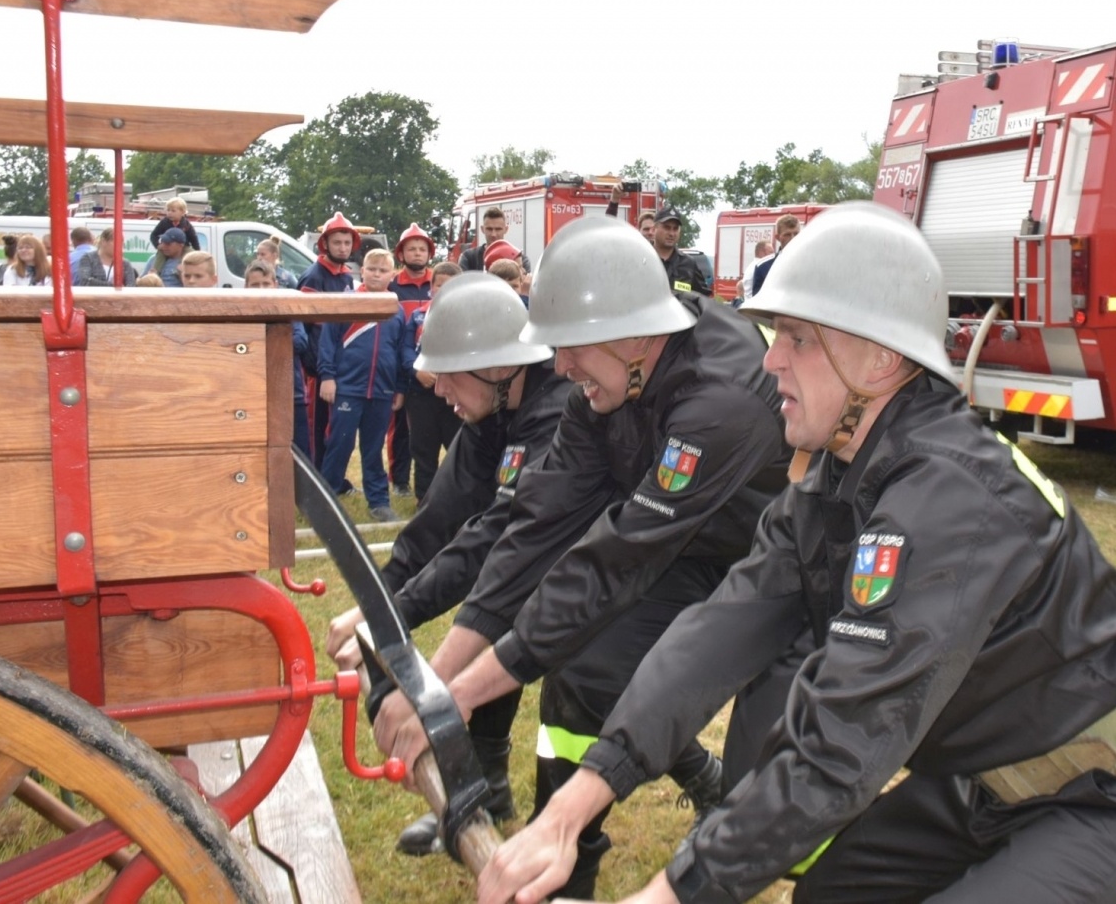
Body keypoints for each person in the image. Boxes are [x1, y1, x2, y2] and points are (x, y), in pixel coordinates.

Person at [479, 202, 1116, 904]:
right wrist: (572, 808)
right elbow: (718, 630)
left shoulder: (948, 497)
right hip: (984, 780)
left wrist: (670, 891)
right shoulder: (844, 476)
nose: (770, 363)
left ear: (875, 359)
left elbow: (842, 743)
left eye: (799, 339)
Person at [371, 215, 788, 898]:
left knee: (760, 760)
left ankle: (720, 794)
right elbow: (535, 524)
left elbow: (616, 558)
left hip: (762, 563)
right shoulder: (608, 379)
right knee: (582, 672)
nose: (558, 369)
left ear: (629, 334)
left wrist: (462, 692)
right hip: (675, 543)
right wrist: (441, 683)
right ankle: (566, 868)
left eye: (568, 348)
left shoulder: (721, 398)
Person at [328, 269, 572, 854]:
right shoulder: (489, 408)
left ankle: (568, 830)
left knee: (582, 677)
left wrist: (393, 620)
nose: (437, 391)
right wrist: (376, 609)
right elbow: (438, 524)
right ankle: (488, 787)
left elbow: (495, 539)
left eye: (448, 376)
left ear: (495, 366)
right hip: (538, 553)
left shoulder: (558, 412)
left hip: (614, 563)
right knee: (503, 616)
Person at [318, 248, 414, 524]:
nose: (376, 274)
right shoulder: (347, 303)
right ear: (362, 270)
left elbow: (399, 351)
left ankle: (379, 502)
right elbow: (328, 342)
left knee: (373, 450)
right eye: (371, 269)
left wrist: (399, 388)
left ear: (392, 275)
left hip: (382, 392)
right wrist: (327, 376)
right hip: (347, 388)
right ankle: (326, 501)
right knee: (339, 445)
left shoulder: (395, 311)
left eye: (382, 270)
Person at [299, 212, 362, 464]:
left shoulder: (347, 277)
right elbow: (304, 326)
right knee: (317, 425)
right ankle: (317, 477)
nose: (343, 248)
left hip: (338, 366)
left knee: (335, 425)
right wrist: (314, 367)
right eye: (337, 242)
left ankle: (333, 475)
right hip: (316, 368)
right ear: (325, 244)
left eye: (347, 243)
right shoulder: (313, 276)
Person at [400, 260, 464, 504]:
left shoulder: (468, 318)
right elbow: (406, 350)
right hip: (422, 393)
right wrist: (418, 372)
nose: (443, 290)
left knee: (458, 448)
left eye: (450, 285)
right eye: (439, 285)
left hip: (456, 394)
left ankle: (456, 498)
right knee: (423, 449)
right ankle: (424, 499)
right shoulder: (418, 316)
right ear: (431, 286)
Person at [388, 223, 438, 498]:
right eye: (411, 249)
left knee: (425, 433)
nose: (417, 254)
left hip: (431, 374)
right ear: (401, 253)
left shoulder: (439, 282)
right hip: (401, 366)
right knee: (399, 429)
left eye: (422, 249)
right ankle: (399, 480)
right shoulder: (391, 286)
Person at [246, 259, 312, 455]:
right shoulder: (240, 314)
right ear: (246, 286)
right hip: (253, 393)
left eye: (265, 284)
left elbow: (300, 342)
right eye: (255, 285)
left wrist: (263, 340)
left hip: (292, 393)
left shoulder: (288, 310)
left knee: (298, 451)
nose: (261, 289)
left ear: (275, 284)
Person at [649, 203, 712, 297]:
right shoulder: (643, 258)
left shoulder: (689, 264)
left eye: (675, 229)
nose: (671, 233)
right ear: (654, 229)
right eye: (667, 227)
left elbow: (703, 299)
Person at [749, 213, 800, 298]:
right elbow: (758, 303)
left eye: (796, 234)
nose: (792, 238)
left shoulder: (812, 264)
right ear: (777, 237)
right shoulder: (763, 267)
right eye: (787, 235)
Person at [73, 229, 137, 287]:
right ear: (103, 241)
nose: (120, 246)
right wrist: (113, 286)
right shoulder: (88, 259)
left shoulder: (125, 263)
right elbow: (86, 282)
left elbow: (131, 285)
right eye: (116, 242)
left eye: (122, 243)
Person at [737, 239, 773, 306]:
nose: (773, 256)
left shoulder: (751, 266)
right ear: (762, 252)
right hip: (756, 307)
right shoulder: (760, 267)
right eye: (771, 252)